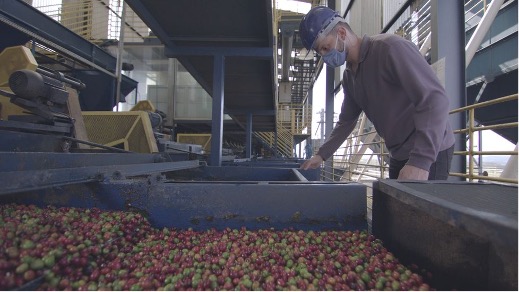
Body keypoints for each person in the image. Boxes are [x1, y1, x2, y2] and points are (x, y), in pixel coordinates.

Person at [299, 6, 455, 180]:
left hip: (429, 150)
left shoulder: (390, 49)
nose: (325, 57)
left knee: (420, 207)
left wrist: (421, 161)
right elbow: (346, 121)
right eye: (321, 52)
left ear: (342, 33)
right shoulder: (350, 76)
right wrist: (321, 155)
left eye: (326, 48)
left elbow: (434, 99)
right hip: (398, 154)